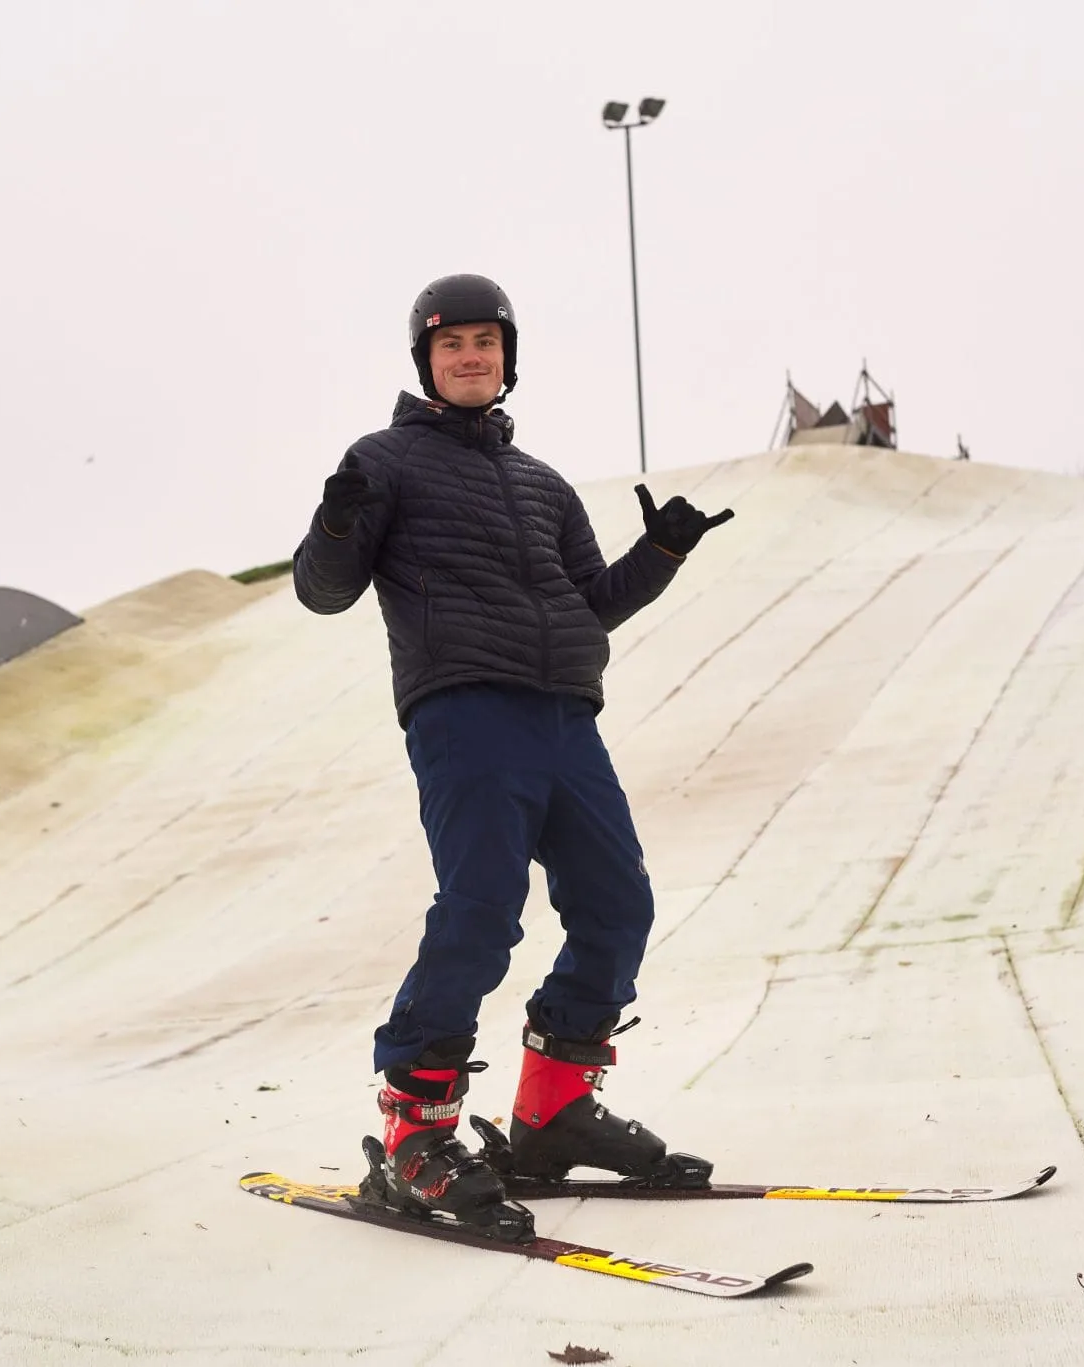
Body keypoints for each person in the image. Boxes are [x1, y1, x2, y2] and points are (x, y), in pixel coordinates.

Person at [292, 274, 734, 1232]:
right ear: (426, 360)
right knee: (482, 910)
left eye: (486, 343)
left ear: (508, 358)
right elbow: (325, 591)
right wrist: (334, 523)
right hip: (464, 709)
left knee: (618, 904)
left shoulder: (543, 484)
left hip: (564, 716)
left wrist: (660, 554)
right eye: (451, 344)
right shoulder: (382, 461)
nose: (471, 357)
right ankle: (414, 1133)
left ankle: (551, 1111)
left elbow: (591, 603)